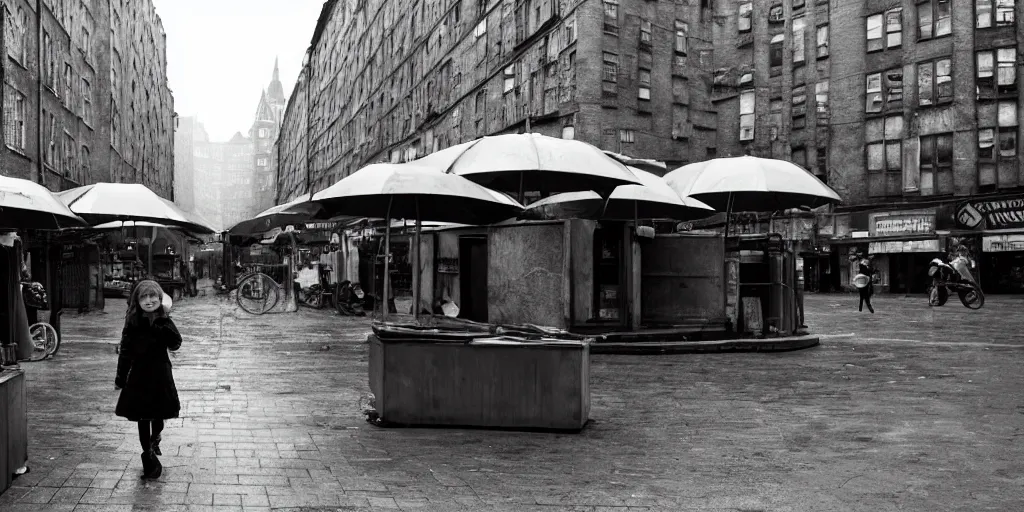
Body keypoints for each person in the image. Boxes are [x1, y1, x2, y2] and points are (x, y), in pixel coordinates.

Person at [114, 280, 182, 480]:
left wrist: (164, 325)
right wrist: (120, 377)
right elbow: (125, 352)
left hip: (160, 374)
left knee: (158, 416)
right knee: (143, 418)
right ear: (137, 300)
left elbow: (176, 343)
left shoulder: (164, 319)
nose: (148, 300)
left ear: (160, 299)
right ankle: (148, 456)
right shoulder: (133, 321)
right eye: (143, 297)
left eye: (153, 296)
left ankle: (155, 439)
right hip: (139, 376)